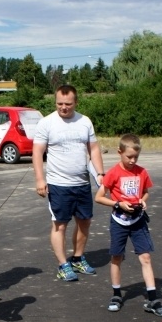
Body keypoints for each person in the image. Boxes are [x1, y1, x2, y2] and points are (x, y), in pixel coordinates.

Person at [32, 84, 105, 282]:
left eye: (68, 104)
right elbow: (37, 152)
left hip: (81, 183)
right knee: (60, 225)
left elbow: (94, 149)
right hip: (58, 184)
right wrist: (40, 179)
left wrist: (100, 173)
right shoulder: (47, 123)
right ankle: (63, 264)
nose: (64, 107)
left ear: (76, 102)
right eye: (60, 104)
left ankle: (78, 258)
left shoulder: (85, 121)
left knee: (84, 222)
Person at [95, 134, 162, 316]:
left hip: (138, 220)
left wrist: (143, 201)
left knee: (145, 257)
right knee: (117, 257)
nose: (132, 160)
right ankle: (116, 294)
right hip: (119, 220)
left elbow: (145, 193)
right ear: (119, 152)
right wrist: (118, 203)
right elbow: (98, 197)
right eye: (129, 156)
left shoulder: (141, 172)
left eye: (136, 157)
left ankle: (152, 299)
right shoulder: (113, 173)